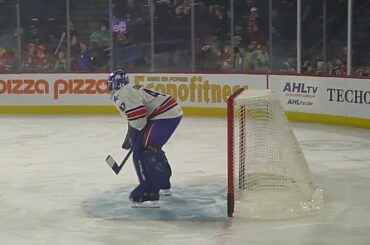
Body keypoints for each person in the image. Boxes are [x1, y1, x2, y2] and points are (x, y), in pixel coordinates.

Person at [107, 68, 183, 207]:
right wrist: (130, 135)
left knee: (145, 150)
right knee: (151, 147)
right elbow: (136, 117)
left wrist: (133, 135)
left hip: (164, 115)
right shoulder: (128, 89)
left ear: (114, 84)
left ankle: (150, 193)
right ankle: (164, 184)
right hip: (167, 113)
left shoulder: (120, 94)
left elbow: (139, 117)